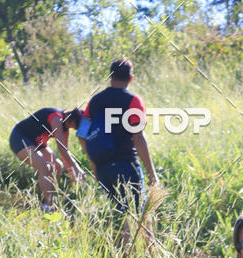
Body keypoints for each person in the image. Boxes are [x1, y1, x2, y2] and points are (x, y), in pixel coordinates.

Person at [78, 58, 158, 248]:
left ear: (110, 76)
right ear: (131, 78)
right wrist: (152, 173)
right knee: (140, 217)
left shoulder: (95, 101)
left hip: (104, 170)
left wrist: (95, 164)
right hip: (127, 165)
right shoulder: (132, 100)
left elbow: (82, 135)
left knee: (119, 216)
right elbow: (138, 137)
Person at [9, 107, 84, 211]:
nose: (70, 128)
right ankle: (49, 206)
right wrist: (77, 167)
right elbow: (61, 147)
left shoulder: (65, 127)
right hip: (19, 137)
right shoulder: (56, 117)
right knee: (44, 166)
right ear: (71, 119)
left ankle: (47, 201)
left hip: (36, 142)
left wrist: (74, 173)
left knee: (57, 166)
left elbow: (64, 153)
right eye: (73, 126)